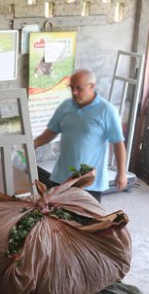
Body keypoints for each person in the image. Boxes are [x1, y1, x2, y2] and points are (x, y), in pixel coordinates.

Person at [33, 69, 127, 202]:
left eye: (79, 88)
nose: (74, 92)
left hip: (90, 182)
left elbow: (118, 143)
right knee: (56, 217)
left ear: (92, 86)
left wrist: (121, 172)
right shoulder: (65, 106)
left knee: (86, 220)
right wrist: (34, 143)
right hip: (62, 178)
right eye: (71, 88)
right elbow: (52, 131)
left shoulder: (106, 110)